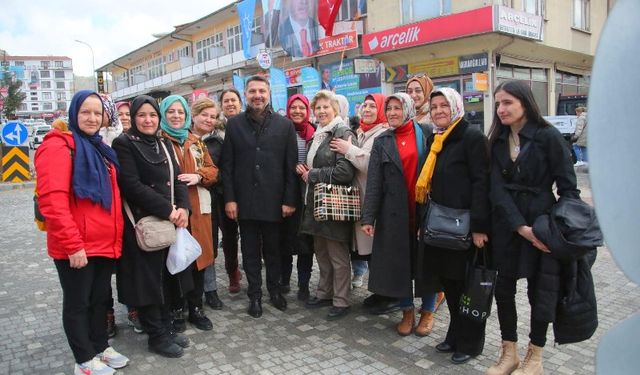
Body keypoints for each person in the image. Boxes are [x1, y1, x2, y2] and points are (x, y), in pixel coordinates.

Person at [486, 80, 580, 375]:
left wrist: (558, 230)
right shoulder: (497, 140)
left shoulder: (548, 137)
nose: (501, 109)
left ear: (525, 103)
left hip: (542, 225)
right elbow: (495, 189)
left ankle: (535, 356)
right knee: (503, 289)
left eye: (507, 102)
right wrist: (519, 227)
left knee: (540, 291)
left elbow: (569, 189)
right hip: (508, 225)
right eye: (498, 103)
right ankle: (508, 353)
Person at [35, 90, 129, 375]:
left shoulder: (100, 148)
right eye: (85, 112)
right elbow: (53, 201)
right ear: (74, 113)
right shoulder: (59, 147)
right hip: (76, 245)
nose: (91, 118)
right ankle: (84, 359)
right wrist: (73, 244)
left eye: (97, 113)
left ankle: (100, 346)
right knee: (78, 302)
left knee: (100, 299)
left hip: (103, 242)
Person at [415, 88, 490, 364]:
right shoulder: (438, 140)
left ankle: (470, 344)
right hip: (440, 226)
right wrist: (424, 221)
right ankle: (455, 335)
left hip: (465, 227)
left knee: (464, 288)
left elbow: (482, 183)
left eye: (443, 106)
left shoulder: (471, 137)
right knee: (449, 283)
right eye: (434, 107)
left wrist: (480, 227)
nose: (438, 111)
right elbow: (431, 185)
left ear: (456, 107)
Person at [112, 95, 191, 358]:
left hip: (168, 223)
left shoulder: (162, 143)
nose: (148, 120)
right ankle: (156, 336)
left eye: (153, 115)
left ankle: (166, 328)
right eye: (142, 115)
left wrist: (184, 209)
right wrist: (169, 210)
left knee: (166, 279)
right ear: (134, 118)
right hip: (143, 224)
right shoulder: (123, 143)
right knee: (148, 282)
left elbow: (179, 179)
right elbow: (132, 185)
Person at [221, 75, 298, 318]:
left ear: (269, 93)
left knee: (274, 250)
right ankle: (254, 294)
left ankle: (274, 290)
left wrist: (289, 199)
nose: (257, 95)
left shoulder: (284, 126)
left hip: (274, 201)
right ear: (246, 95)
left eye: (261, 91)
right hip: (245, 201)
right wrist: (230, 199)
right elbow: (227, 166)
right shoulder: (234, 125)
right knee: (250, 251)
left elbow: (290, 166)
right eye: (252, 91)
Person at [360, 93, 430, 337]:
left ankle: (428, 312)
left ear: (408, 109)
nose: (391, 113)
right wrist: (368, 217)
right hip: (393, 214)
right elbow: (375, 183)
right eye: (388, 109)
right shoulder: (383, 140)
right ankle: (407, 311)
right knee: (398, 265)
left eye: (397, 108)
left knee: (427, 264)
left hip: (423, 210)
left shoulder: (426, 133)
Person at [159, 95, 219, 332]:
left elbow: (213, 170)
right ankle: (176, 310)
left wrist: (200, 176)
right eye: (171, 112)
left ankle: (196, 308)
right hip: (170, 211)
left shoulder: (196, 142)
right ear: (164, 114)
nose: (176, 116)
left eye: (180, 112)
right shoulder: (158, 141)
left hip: (199, 210)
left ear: (186, 116)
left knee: (198, 260)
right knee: (173, 261)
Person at [298, 90, 356, 320]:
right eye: (318, 108)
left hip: (335, 203)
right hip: (317, 204)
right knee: (321, 252)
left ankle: (341, 300)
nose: (321, 111)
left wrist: (313, 174)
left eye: (325, 107)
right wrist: (304, 170)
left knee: (337, 255)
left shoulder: (341, 132)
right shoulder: (319, 134)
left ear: (336, 109)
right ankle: (325, 292)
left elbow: (345, 171)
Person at [330, 94, 388, 289]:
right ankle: (377, 291)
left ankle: (385, 294)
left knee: (376, 250)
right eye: (365, 105)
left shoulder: (384, 133)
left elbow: (373, 164)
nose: (368, 109)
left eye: (373, 106)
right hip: (360, 199)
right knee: (365, 248)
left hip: (373, 200)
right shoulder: (363, 132)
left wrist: (349, 149)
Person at [280, 93, 316, 301]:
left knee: (305, 244)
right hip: (285, 192)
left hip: (307, 195)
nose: (297, 111)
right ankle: (284, 281)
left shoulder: (314, 132)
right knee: (284, 240)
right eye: (293, 107)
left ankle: (304, 285)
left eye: (301, 107)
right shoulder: (281, 131)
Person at [190, 97, 225, 310]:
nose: (208, 120)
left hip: (210, 201)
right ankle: (190, 295)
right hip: (188, 202)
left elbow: (219, 172)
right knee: (191, 248)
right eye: (204, 115)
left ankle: (210, 290)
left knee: (209, 247)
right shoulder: (182, 139)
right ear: (194, 115)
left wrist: (206, 177)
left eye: (213, 117)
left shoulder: (215, 142)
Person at [218, 88, 243, 294]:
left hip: (247, 190)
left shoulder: (247, 125)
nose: (230, 104)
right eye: (226, 101)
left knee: (252, 233)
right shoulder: (215, 129)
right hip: (222, 191)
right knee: (228, 236)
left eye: (233, 100)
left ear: (240, 103)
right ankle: (232, 272)